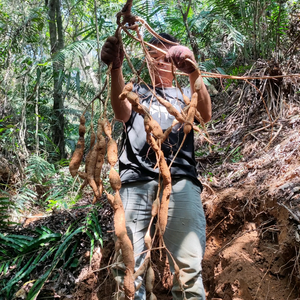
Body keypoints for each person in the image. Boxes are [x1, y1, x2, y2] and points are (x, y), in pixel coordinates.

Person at [101, 33, 212, 300]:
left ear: (175, 62)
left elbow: (205, 114)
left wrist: (194, 69)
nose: (159, 60)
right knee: (128, 268)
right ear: (146, 59)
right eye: (153, 55)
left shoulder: (187, 94)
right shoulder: (135, 91)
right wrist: (116, 66)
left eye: (166, 55)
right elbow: (120, 111)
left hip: (181, 179)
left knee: (188, 267)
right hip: (135, 179)